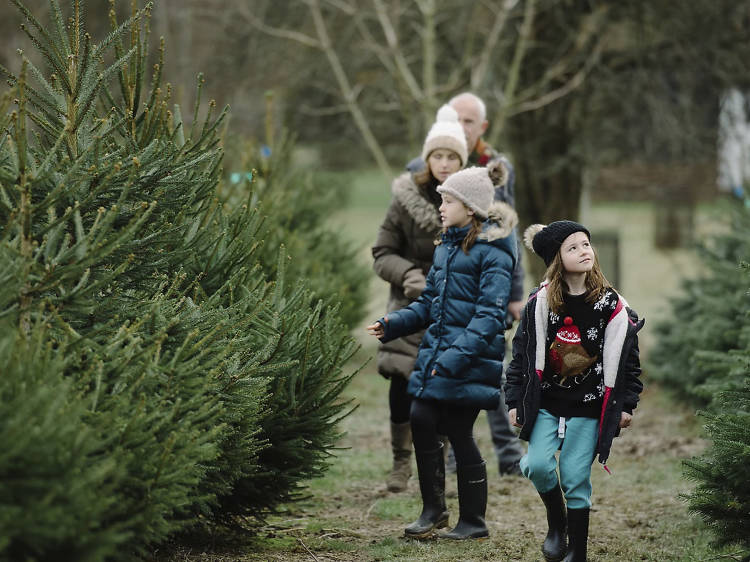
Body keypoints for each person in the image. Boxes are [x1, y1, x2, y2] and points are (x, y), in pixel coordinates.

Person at [367, 164, 519, 540]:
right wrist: (393, 324)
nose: (441, 206)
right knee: (420, 416)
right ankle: (433, 509)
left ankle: (473, 522)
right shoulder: (448, 248)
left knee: (458, 430)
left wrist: (452, 359)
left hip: (468, 361)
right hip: (439, 357)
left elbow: (489, 317)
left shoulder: (494, 254)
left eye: (448, 200)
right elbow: (429, 304)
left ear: (469, 208)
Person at [505, 221, 644, 561]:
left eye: (586, 244)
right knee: (537, 466)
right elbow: (520, 355)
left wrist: (626, 405)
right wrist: (514, 400)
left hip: (589, 407)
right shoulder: (541, 304)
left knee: (574, 476)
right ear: (557, 259)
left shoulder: (611, 306)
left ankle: (577, 551)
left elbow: (629, 362)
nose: (584, 251)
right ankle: (557, 523)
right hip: (547, 405)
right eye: (573, 247)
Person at [409, 91, 525, 477]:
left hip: (485, 285)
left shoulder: (495, 168)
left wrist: (514, 293)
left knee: (489, 367)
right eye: (455, 119)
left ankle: (508, 455)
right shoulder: (426, 167)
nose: (462, 127)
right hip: (443, 289)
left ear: (483, 127)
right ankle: (456, 454)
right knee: (446, 376)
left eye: (469, 121)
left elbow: (508, 229)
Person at [372, 104, 468, 493]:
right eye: (438, 155)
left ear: (462, 160)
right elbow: (382, 252)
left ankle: (440, 461)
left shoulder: (472, 200)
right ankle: (400, 462)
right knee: (401, 379)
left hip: (453, 307)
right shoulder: (406, 198)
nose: (444, 163)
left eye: (452, 156)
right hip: (410, 305)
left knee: (444, 384)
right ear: (428, 158)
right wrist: (409, 274)